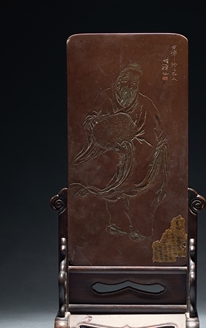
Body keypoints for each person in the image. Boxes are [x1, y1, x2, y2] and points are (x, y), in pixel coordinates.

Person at [71, 63, 168, 242]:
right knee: (110, 179)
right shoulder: (106, 96)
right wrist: (95, 124)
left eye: (134, 85)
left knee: (140, 194)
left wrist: (128, 147)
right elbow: (90, 119)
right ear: (118, 82)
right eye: (125, 82)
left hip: (144, 156)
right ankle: (119, 224)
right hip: (112, 150)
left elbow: (152, 139)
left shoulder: (145, 105)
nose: (129, 87)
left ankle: (142, 229)